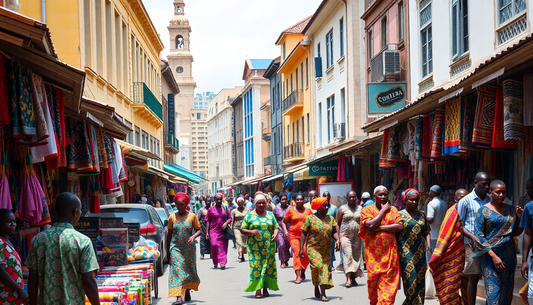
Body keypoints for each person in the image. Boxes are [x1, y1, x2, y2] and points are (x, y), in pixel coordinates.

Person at [27, 192, 100, 305]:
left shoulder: (38, 240)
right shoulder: (82, 241)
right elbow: (88, 281)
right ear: (76, 211)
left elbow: (32, 279)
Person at [474, 180, 523, 305]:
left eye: (503, 192)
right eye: (498, 192)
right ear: (490, 192)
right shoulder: (482, 211)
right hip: (490, 257)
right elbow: (479, 237)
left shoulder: (511, 210)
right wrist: (494, 256)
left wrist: (519, 217)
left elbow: (515, 232)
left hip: (509, 255)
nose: (501, 195)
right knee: (493, 294)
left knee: (506, 293)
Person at [359, 186, 403, 305]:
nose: (383, 197)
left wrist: (380, 228)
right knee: (373, 290)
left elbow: (399, 226)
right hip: (373, 257)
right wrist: (383, 211)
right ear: (374, 197)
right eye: (380, 195)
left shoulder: (393, 210)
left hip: (390, 256)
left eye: (385, 195)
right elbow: (370, 225)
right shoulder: (367, 210)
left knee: (388, 292)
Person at [457, 172, 492, 305]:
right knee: (474, 277)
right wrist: (472, 237)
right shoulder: (465, 201)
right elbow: (459, 225)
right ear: (475, 183)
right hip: (471, 246)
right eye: (484, 184)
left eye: (489, 183)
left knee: (489, 276)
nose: (487, 187)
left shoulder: (491, 200)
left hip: (489, 245)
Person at [430, 188, 469, 305]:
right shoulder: (452, 212)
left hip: (468, 252)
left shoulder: (472, 211)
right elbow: (445, 231)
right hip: (453, 252)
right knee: (450, 283)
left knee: (467, 283)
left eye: (466, 198)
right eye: (461, 198)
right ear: (455, 199)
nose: (463, 201)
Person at [300, 198, 340, 302]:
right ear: (318, 207)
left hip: (326, 249)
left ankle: (318, 286)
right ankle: (323, 294)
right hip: (313, 248)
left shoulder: (330, 219)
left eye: (327, 205)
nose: (327, 207)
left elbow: (334, 232)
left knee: (324, 269)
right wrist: (301, 249)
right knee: (318, 266)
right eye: (324, 206)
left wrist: (338, 240)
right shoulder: (310, 219)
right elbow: (304, 233)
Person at [240, 193, 279, 298]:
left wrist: (275, 234)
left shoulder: (270, 215)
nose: (261, 205)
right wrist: (251, 232)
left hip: (269, 247)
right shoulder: (249, 215)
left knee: (268, 266)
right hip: (254, 248)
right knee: (256, 267)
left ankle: (265, 288)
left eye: (263, 203)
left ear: (266, 203)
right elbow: (242, 229)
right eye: (259, 203)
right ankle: (258, 289)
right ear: (255, 204)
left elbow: (276, 226)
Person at [397, 188, 431, 305]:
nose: (414, 203)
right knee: (410, 281)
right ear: (405, 200)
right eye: (411, 200)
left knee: (421, 282)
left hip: (420, 253)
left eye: (416, 200)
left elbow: (426, 231)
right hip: (406, 253)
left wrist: (428, 245)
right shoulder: (399, 215)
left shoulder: (422, 215)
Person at [166, 193, 201, 304]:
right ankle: (178, 296)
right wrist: (168, 251)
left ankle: (186, 290)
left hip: (189, 249)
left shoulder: (192, 216)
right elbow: (169, 234)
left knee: (189, 270)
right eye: (177, 205)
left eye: (182, 205)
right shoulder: (172, 217)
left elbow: (199, 230)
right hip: (175, 248)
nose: (180, 207)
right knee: (178, 270)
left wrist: (193, 236)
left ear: (186, 204)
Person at [0, 209, 28, 305]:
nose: (13, 224)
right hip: (5, 296)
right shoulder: (0, 243)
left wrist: (23, 273)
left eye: (14, 221)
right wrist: (20, 290)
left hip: (12, 296)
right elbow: (1, 272)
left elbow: (9, 268)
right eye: (9, 222)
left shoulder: (8, 242)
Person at [283, 194, 312, 284]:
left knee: (305, 253)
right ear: (295, 201)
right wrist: (285, 232)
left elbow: (313, 223)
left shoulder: (308, 211)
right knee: (297, 253)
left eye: (301, 199)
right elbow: (284, 222)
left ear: (304, 200)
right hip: (293, 236)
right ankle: (298, 275)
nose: (299, 201)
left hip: (305, 236)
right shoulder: (291, 211)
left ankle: (303, 269)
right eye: (297, 200)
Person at [336, 191, 363, 287]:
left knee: (356, 257)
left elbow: (363, 222)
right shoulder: (342, 209)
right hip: (345, 236)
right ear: (347, 198)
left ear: (356, 198)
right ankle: (348, 278)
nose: (352, 199)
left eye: (354, 197)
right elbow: (337, 224)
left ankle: (353, 278)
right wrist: (338, 238)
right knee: (348, 254)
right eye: (350, 197)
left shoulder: (360, 208)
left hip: (357, 237)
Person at [206, 193, 232, 269]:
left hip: (223, 231)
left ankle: (222, 262)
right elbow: (207, 220)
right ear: (215, 200)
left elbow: (230, 218)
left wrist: (226, 223)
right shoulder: (211, 209)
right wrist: (207, 232)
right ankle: (215, 261)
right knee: (214, 245)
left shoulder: (225, 208)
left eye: (220, 199)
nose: (219, 201)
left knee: (222, 247)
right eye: (217, 199)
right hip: (213, 231)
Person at [426, 185, 448, 258]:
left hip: (433, 234)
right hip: (442, 233)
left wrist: (423, 219)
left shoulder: (431, 204)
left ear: (434, 193)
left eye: (430, 191)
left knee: (432, 255)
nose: (429, 193)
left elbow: (430, 219)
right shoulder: (444, 203)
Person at [272, 194, 291, 268]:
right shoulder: (276, 208)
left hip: (289, 230)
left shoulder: (291, 208)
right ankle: (282, 261)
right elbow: (273, 219)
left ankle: (286, 258)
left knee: (287, 245)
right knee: (281, 245)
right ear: (279, 200)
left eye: (285, 199)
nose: (284, 201)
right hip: (279, 230)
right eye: (282, 199)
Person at [322, 191, 339, 272]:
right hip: (321, 231)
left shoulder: (334, 208)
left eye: (328, 196)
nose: (326, 197)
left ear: (330, 197)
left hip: (331, 231)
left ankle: (331, 264)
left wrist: (337, 235)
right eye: (324, 196)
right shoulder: (320, 207)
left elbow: (336, 222)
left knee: (331, 248)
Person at [231, 197, 250, 262]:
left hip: (245, 228)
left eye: (241, 202)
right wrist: (231, 227)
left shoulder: (247, 210)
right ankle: (240, 254)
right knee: (239, 242)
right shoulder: (234, 211)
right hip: (237, 228)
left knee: (244, 243)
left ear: (243, 203)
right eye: (239, 202)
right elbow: (232, 219)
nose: (240, 204)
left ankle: (243, 255)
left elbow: (250, 218)